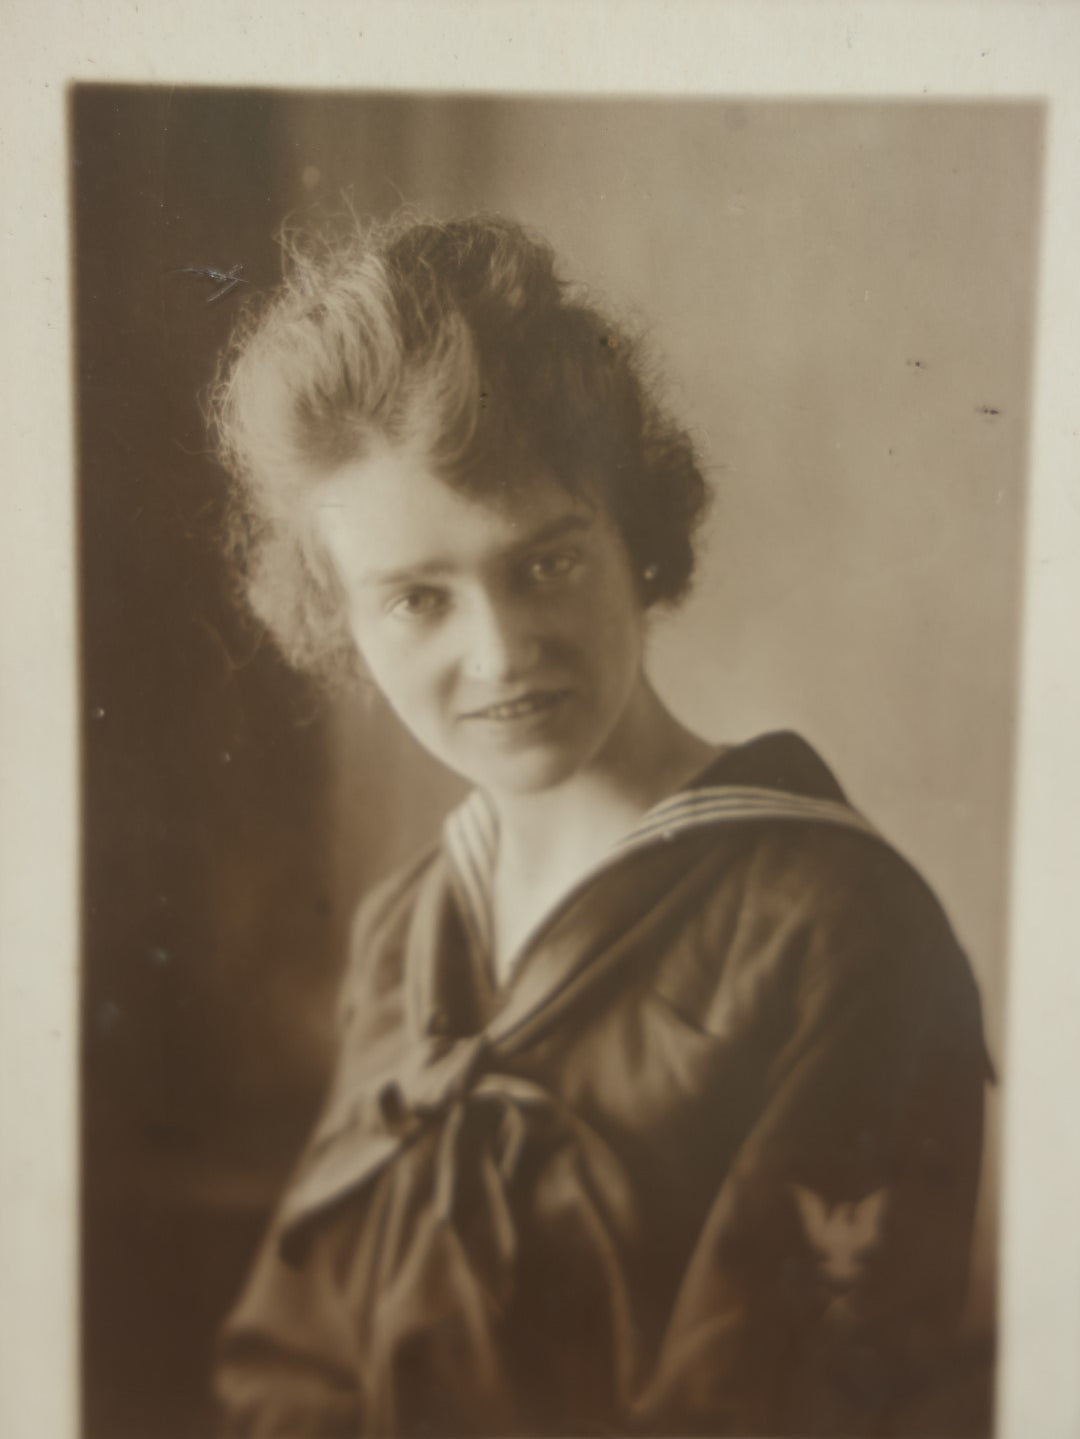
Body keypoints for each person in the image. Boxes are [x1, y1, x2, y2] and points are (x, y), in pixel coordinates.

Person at [209, 212, 992, 1437]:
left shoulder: (841, 933)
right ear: (340, 621)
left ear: (636, 536)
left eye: (546, 564)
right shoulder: (405, 929)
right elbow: (289, 1367)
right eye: (418, 597)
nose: (500, 651)